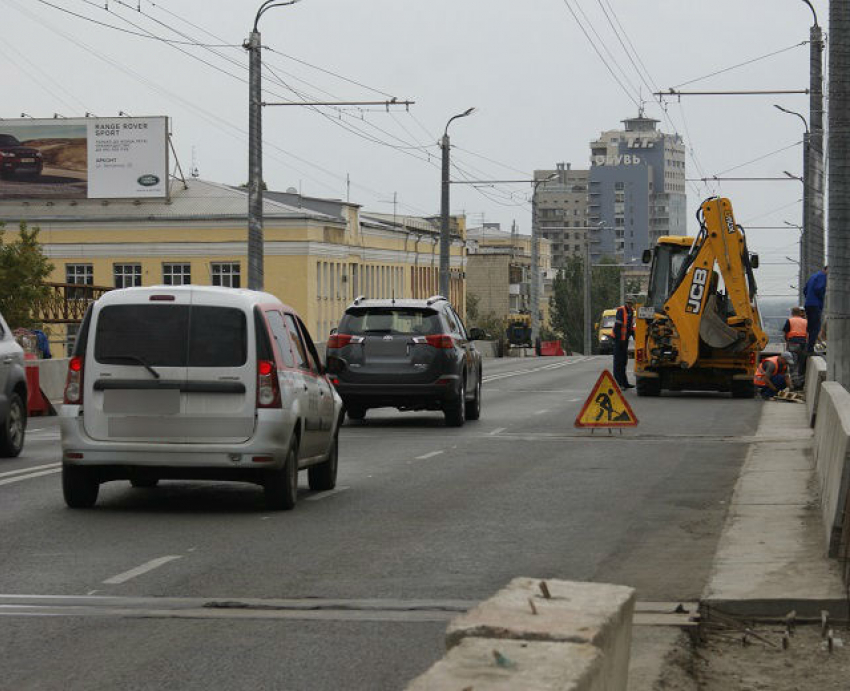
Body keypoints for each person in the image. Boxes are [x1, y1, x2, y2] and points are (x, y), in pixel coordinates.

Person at [612, 298, 635, 389]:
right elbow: (617, 326)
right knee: (618, 362)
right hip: (618, 340)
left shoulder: (631, 311)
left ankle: (624, 382)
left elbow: (630, 327)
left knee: (624, 361)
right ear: (626, 303)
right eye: (628, 303)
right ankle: (618, 383)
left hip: (624, 340)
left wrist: (634, 336)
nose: (629, 305)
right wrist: (619, 340)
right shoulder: (621, 310)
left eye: (631, 303)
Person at [803, 266, 827, 353]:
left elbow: (805, 290)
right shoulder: (823, 276)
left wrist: (809, 298)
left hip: (808, 304)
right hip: (815, 305)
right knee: (815, 328)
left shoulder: (813, 276)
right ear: (827, 269)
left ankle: (807, 347)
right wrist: (821, 299)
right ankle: (810, 349)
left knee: (810, 327)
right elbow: (819, 289)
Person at [782, 307, 807, 378]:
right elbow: (808, 333)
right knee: (801, 362)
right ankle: (801, 378)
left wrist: (787, 341)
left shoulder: (790, 320)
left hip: (793, 343)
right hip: (803, 343)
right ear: (800, 313)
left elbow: (785, 332)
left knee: (793, 363)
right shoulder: (805, 321)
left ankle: (794, 380)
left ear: (792, 313)